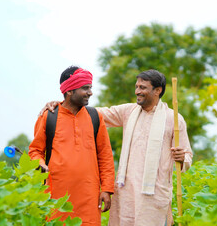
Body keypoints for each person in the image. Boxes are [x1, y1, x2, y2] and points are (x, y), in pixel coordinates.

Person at [41, 69, 193, 226]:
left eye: (143, 88)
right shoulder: (129, 111)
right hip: (126, 192)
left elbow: (187, 155)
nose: (137, 91)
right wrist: (59, 106)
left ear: (158, 90)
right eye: (137, 87)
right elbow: (94, 114)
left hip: (153, 193)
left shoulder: (173, 119)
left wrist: (183, 158)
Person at [29, 66, 115, 226]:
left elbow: (105, 155)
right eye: (85, 88)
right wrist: (40, 164)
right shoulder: (49, 116)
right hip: (57, 196)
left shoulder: (95, 116)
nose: (90, 92)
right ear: (69, 91)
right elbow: (35, 150)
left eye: (90, 87)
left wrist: (107, 189)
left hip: (89, 196)